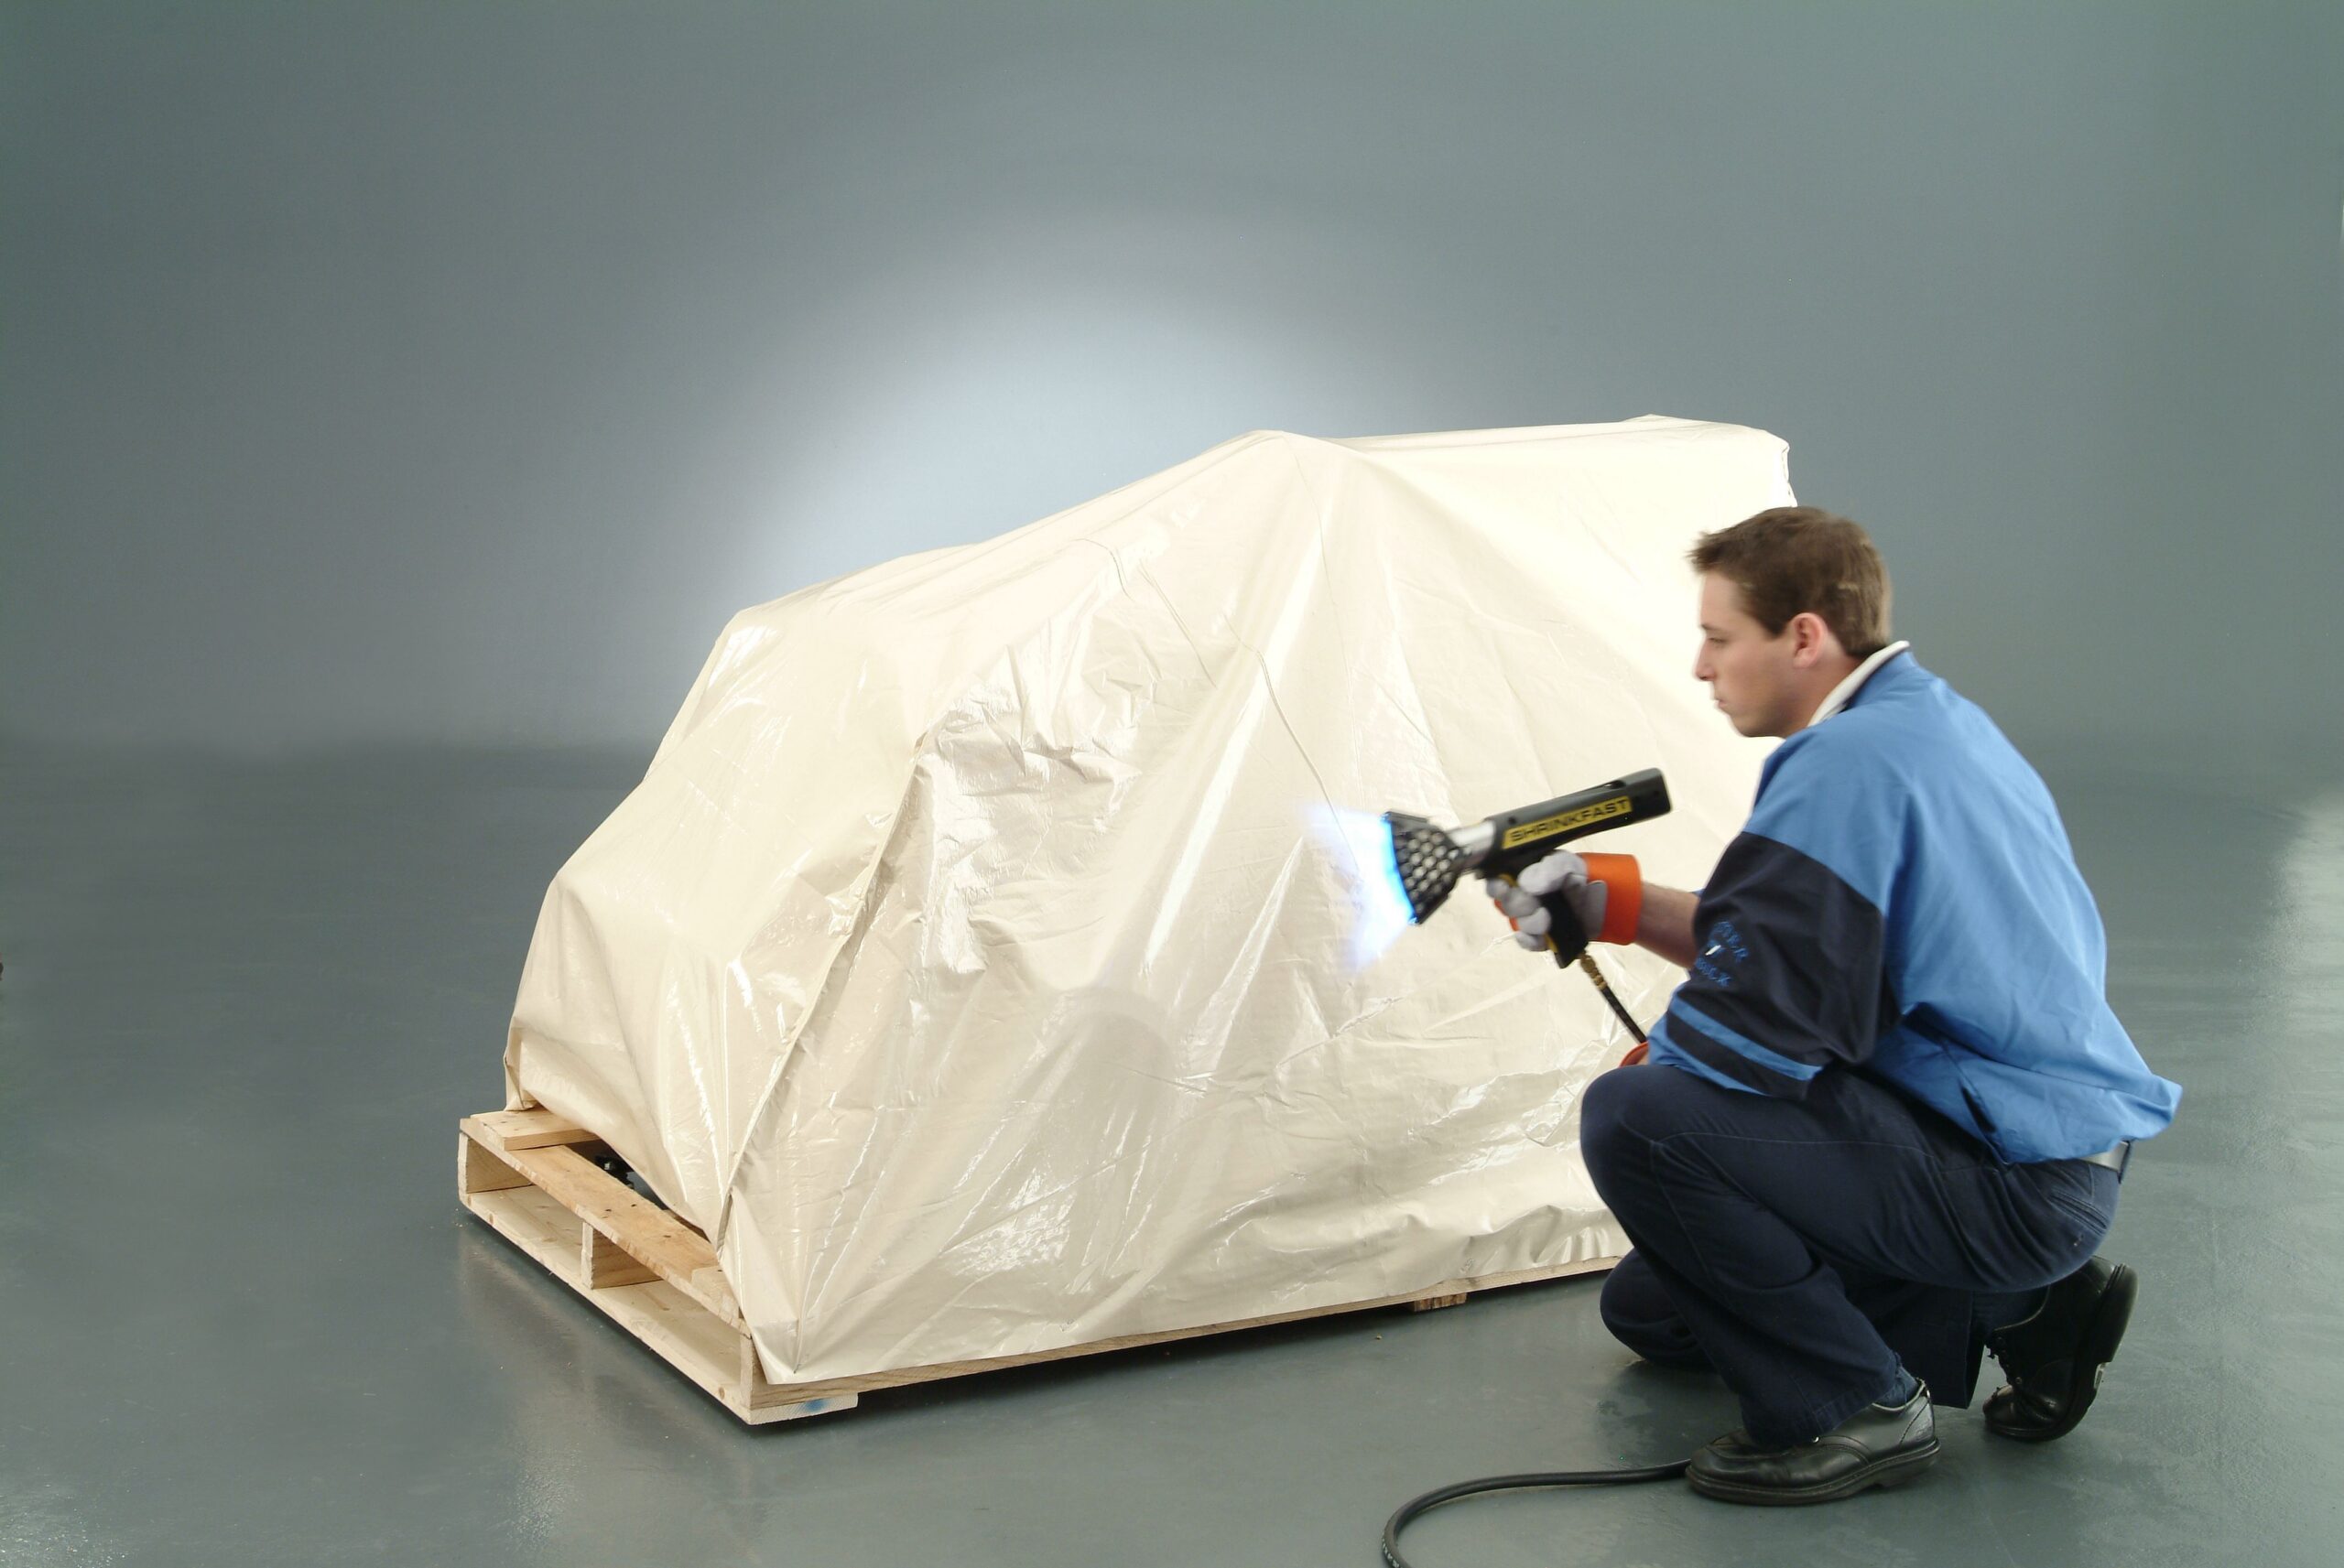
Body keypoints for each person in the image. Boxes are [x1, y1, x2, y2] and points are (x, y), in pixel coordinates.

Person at [1488, 507, 2178, 1506]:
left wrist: (1676, 1068)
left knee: (1637, 1122)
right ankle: (2032, 1309)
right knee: (1654, 1311)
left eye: (1719, 637)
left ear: (1803, 636)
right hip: (2027, 1154)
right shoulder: (1920, 722)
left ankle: (1851, 1406)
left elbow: (1764, 1014)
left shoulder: (1846, 765)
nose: (1700, 665)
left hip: (2008, 1175)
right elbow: (1787, 942)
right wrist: (1607, 902)